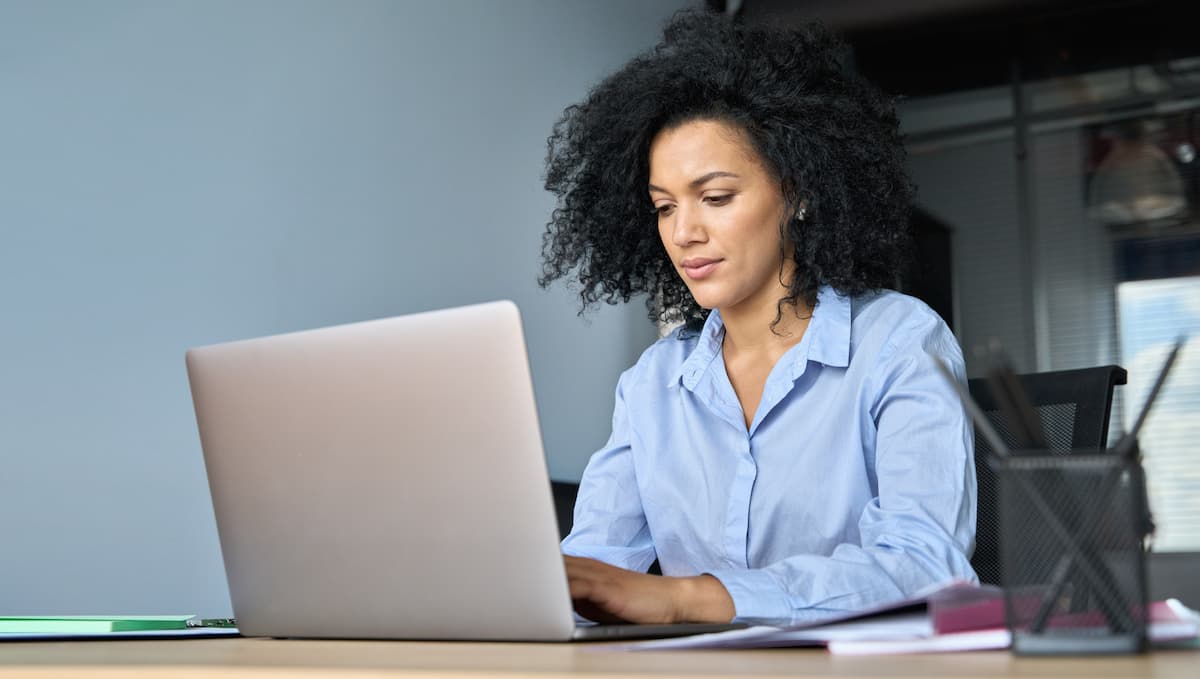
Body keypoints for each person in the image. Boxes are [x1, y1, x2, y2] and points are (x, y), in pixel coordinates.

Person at [538, 10, 977, 627]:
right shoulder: (652, 383)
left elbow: (927, 563)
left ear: (797, 192)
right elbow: (593, 566)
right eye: (664, 207)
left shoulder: (900, 341)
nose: (684, 232)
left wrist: (689, 597)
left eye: (715, 198)